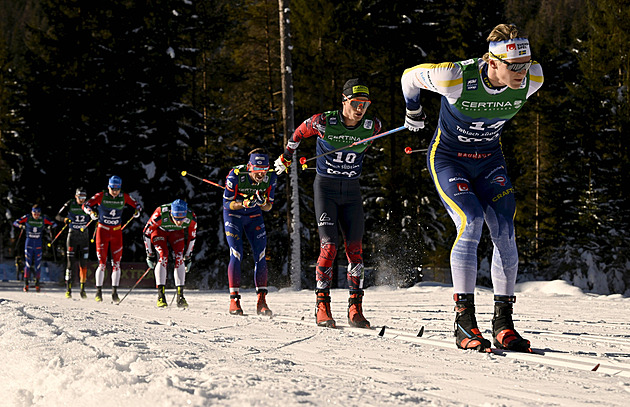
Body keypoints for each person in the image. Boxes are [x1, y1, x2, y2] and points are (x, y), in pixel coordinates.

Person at [400, 23, 544, 352]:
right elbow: (409, 76)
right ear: (492, 62)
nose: (523, 72)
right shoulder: (454, 77)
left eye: (526, 63)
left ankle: (503, 324)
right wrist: (413, 109)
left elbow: (527, 72)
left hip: (489, 160)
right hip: (450, 159)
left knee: (505, 230)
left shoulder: (533, 79)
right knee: (472, 220)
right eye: (514, 66)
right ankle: (464, 322)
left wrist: (522, 69)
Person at [274, 78, 383, 329]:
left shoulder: (373, 126)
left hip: (352, 191)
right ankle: (322, 305)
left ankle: (355, 308)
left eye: (365, 104)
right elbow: (298, 133)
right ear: (344, 101)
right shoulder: (323, 122)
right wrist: (286, 156)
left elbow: (373, 138)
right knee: (330, 246)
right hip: (326, 189)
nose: (360, 109)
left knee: (355, 251)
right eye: (356, 103)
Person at [223, 148, 277, 316]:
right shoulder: (236, 175)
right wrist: (243, 203)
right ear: (249, 167)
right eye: (257, 170)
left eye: (264, 170)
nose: (261, 174)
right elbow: (227, 204)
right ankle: (234, 300)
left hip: (254, 216)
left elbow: (269, 207)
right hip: (234, 215)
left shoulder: (271, 177)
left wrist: (261, 203)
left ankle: (261, 301)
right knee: (236, 253)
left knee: (260, 254)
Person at [83, 175, 142, 303]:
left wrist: (137, 211)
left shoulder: (123, 197)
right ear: (108, 187)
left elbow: (137, 204)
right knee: (102, 264)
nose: (115, 191)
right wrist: (91, 213)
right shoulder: (101, 195)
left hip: (116, 233)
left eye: (117, 189)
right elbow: (86, 204)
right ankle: (99, 292)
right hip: (102, 232)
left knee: (116, 264)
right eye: (112, 188)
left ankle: (114, 292)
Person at [143, 199, 197, 308]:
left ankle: (180, 296)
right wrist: (150, 254)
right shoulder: (160, 214)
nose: (179, 222)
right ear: (171, 213)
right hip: (159, 231)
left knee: (179, 257)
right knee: (163, 255)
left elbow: (192, 237)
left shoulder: (191, 218)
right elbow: (146, 232)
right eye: (176, 218)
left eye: (182, 219)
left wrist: (188, 256)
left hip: (176, 233)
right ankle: (161, 296)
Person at [12, 205, 57, 292]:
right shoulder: (27, 217)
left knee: (38, 264)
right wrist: (21, 226)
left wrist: (49, 227)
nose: (36, 215)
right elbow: (15, 223)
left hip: (38, 244)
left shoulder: (43, 218)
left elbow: (54, 224)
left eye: (38, 213)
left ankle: (37, 283)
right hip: (29, 243)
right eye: (34, 213)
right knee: (28, 264)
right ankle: (26, 284)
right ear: (32, 212)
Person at [56, 187, 91, 299]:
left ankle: (82, 289)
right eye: (80, 197)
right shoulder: (70, 203)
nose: (82, 199)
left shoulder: (88, 205)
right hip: (72, 236)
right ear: (76, 196)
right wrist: (65, 220)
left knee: (83, 264)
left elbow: (96, 216)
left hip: (84, 237)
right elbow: (57, 216)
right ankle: (68, 290)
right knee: (70, 264)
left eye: (84, 197)